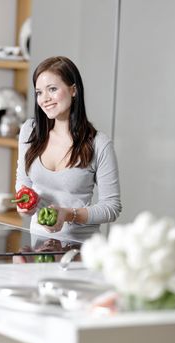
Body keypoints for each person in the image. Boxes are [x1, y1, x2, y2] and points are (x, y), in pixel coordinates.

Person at [15, 56, 122, 251]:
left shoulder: (98, 143)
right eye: (39, 92)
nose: (44, 98)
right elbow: (24, 182)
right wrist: (24, 205)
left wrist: (68, 214)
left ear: (74, 90)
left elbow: (112, 207)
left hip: (81, 249)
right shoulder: (30, 131)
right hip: (39, 246)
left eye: (52, 89)